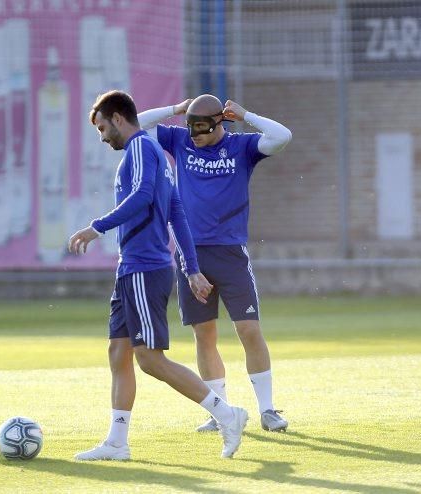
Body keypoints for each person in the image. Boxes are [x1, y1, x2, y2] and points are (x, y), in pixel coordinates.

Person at [68, 90, 249, 460]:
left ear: (118, 119)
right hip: (131, 269)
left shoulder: (139, 149)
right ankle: (117, 442)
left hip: (143, 268)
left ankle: (227, 414)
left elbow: (142, 196)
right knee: (118, 352)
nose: (102, 137)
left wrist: (96, 227)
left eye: (103, 128)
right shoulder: (153, 154)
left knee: (150, 360)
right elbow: (177, 212)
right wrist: (192, 268)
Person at [137, 95, 292, 433]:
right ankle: (220, 412)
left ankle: (267, 409)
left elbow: (282, 136)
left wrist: (247, 114)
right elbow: (137, 123)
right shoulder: (180, 139)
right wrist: (175, 110)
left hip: (230, 252)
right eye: (191, 128)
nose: (196, 136)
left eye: (203, 129)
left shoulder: (242, 147)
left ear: (220, 122)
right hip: (191, 255)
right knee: (204, 335)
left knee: (248, 329)